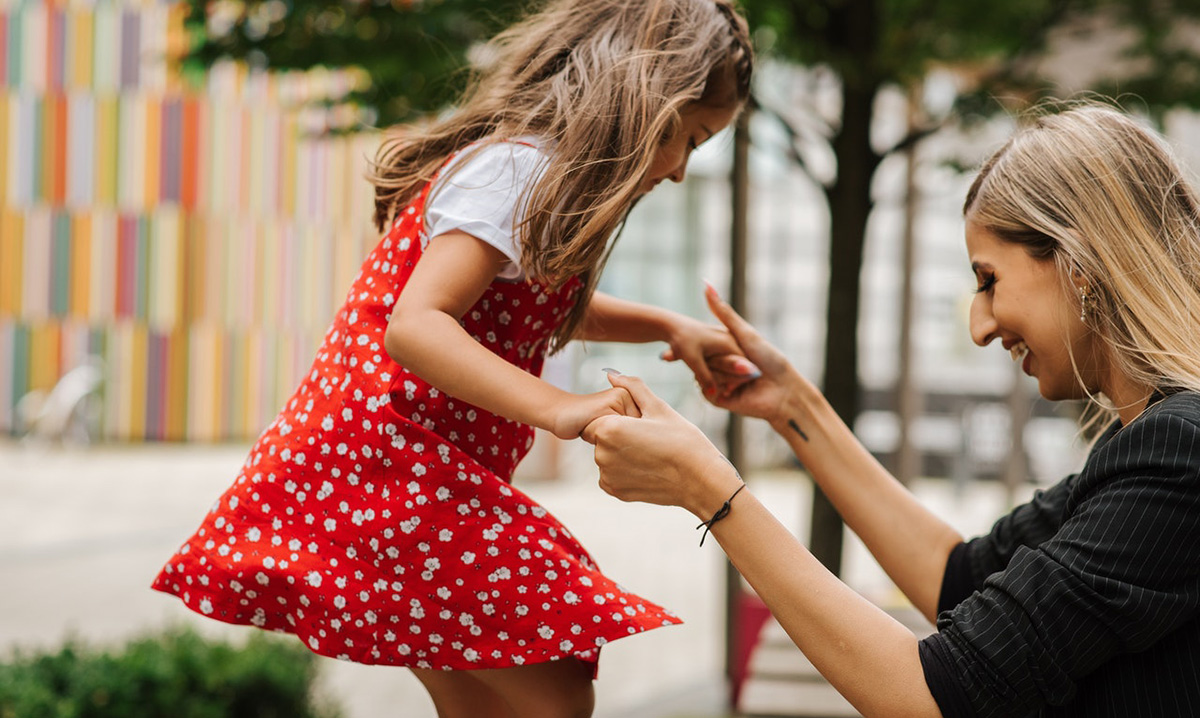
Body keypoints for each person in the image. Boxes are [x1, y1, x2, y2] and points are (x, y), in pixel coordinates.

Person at [152, 1, 755, 716]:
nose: (682, 170)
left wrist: (669, 326)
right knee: (555, 692)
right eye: (689, 138)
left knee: (492, 701)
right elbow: (418, 325)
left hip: (413, 474)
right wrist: (562, 409)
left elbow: (536, 304)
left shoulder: (535, 175)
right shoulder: (518, 169)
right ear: (646, 98)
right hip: (384, 472)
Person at [584, 103, 1200, 717]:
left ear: (1080, 264)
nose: (979, 325)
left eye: (988, 280)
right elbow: (957, 575)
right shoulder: (1153, 447)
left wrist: (707, 488)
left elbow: (935, 697)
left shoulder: (1176, 454)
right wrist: (793, 407)